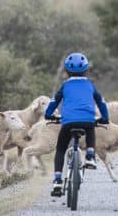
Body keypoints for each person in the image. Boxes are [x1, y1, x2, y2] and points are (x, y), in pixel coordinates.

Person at [44, 52, 109, 197]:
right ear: (86, 69)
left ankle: (57, 180)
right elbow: (101, 102)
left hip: (68, 122)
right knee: (91, 127)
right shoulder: (90, 85)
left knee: (60, 149)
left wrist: (48, 114)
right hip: (87, 120)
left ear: (66, 71)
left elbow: (54, 102)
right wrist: (105, 117)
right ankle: (90, 156)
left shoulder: (65, 86)